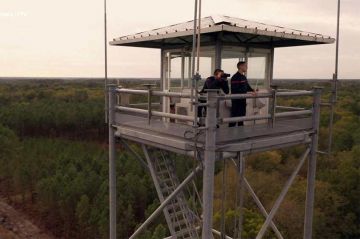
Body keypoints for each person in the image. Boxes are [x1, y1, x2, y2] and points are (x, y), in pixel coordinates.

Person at [229, 61, 255, 127]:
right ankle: (229, 134)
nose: (247, 68)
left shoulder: (243, 77)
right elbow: (235, 90)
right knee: (234, 119)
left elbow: (247, 87)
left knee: (242, 119)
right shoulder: (235, 77)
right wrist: (247, 92)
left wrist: (253, 90)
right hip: (236, 102)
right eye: (245, 66)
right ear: (240, 67)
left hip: (243, 101)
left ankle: (241, 135)